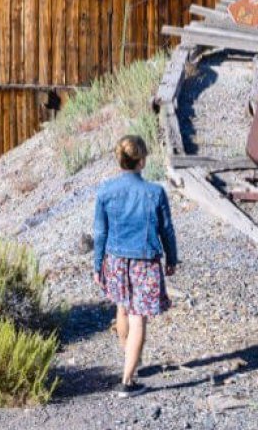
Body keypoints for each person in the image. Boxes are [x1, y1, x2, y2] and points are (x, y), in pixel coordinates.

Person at [93, 135, 178, 396]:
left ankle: (130, 356)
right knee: (138, 317)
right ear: (141, 161)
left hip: (116, 260)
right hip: (144, 261)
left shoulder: (105, 191)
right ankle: (127, 382)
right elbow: (166, 230)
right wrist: (172, 258)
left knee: (123, 307)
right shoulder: (155, 192)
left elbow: (100, 232)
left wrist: (98, 266)